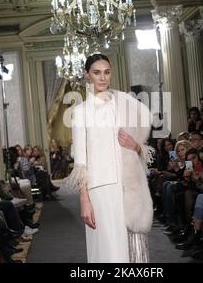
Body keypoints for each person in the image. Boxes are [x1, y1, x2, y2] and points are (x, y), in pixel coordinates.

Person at [66, 54, 154, 263]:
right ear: (87, 75)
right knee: (109, 253)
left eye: (107, 72)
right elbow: (80, 163)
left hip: (127, 186)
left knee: (131, 252)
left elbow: (142, 147)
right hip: (100, 190)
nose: (103, 78)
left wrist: (135, 146)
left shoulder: (125, 105)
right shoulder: (80, 112)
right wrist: (84, 200)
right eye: (97, 72)